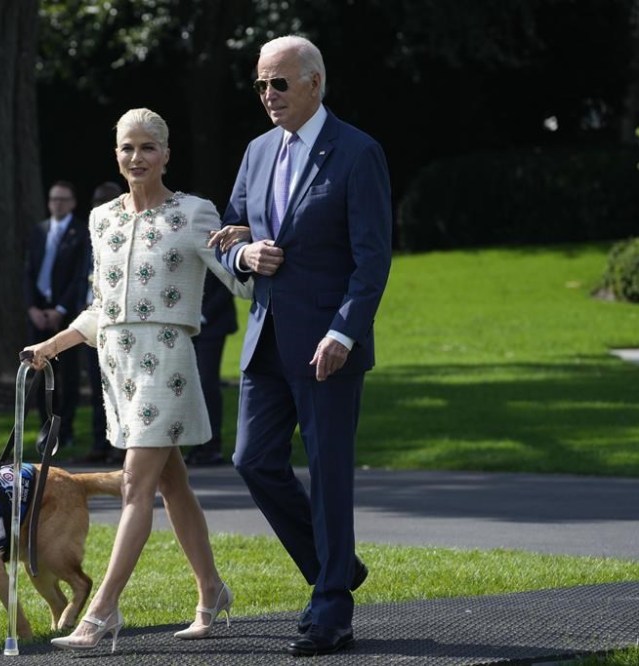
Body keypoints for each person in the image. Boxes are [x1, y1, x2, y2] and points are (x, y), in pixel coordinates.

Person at [23, 108, 251, 653]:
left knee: (135, 486)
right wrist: (52, 345)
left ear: (167, 154)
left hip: (167, 363)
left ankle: (101, 611)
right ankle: (212, 591)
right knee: (173, 484)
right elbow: (101, 307)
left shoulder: (194, 213)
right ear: (116, 154)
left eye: (148, 147)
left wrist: (249, 242)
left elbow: (240, 282)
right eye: (127, 147)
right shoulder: (101, 219)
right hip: (118, 369)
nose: (137, 157)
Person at [215, 35, 392, 657]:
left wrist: (344, 331)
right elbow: (227, 235)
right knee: (252, 460)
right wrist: (245, 254)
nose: (268, 95)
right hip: (265, 340)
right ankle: (334, 569)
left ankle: (331, 609)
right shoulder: (257, 150)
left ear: (315, 83)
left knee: (330, 474)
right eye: (261, 84)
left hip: (327, 346)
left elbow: (372, 259)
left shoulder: (358, 152)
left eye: (279, 83)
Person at [23, 180, 90, 448]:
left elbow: (79, 276)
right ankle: (46, 428)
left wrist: (61, 309)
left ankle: (67, 428)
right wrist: (32, 308)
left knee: (69, 375)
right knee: (39, 370)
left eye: (63, 199)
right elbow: (28, 271)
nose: (57, 204)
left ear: (72, 203)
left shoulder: (81, 232)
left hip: (66, 314)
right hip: (39, 311)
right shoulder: (39, 231)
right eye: (53, 199)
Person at [81, 180, 124, 464]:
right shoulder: (91, 235)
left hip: (116, 323)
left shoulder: (123, 235)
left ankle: (120, 445)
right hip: (91, 321)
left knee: (118, 387)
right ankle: (100, 443)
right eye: (97, 202)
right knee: (97, 388)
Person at [185, 271, 238, 466]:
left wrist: (203, 315)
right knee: (190, 386)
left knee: (207, 384)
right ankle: (197, 444)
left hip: (212, 322)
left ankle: (211, 446)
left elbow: (227, 282)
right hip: (186, 322)